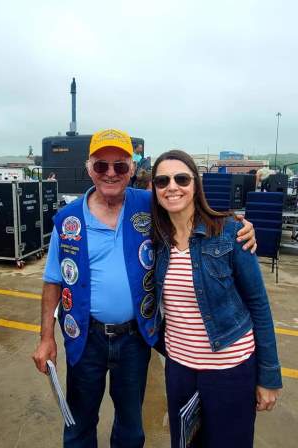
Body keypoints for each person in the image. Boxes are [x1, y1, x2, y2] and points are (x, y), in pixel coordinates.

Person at [32, 130, 256, 448]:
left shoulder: (147, 204)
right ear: (89, 167)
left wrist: (237, 224)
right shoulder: (67, 220)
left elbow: (191, 209)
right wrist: (46, 338)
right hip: (84, 338)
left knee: (131, 426)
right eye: (102, 166)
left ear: (133, 170)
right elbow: (53, 280)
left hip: (134, 338)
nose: (111, 173)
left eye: (120, 166)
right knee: (79, 425)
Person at [151, 150, 282, 448]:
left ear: (195, 185)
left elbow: (259, 305)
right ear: (155, 189)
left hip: (230, 370)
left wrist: (269, 377)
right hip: (180, 370)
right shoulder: (156, 240)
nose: (172, 186)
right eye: (162, 180)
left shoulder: (230, 233)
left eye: (181, 178)